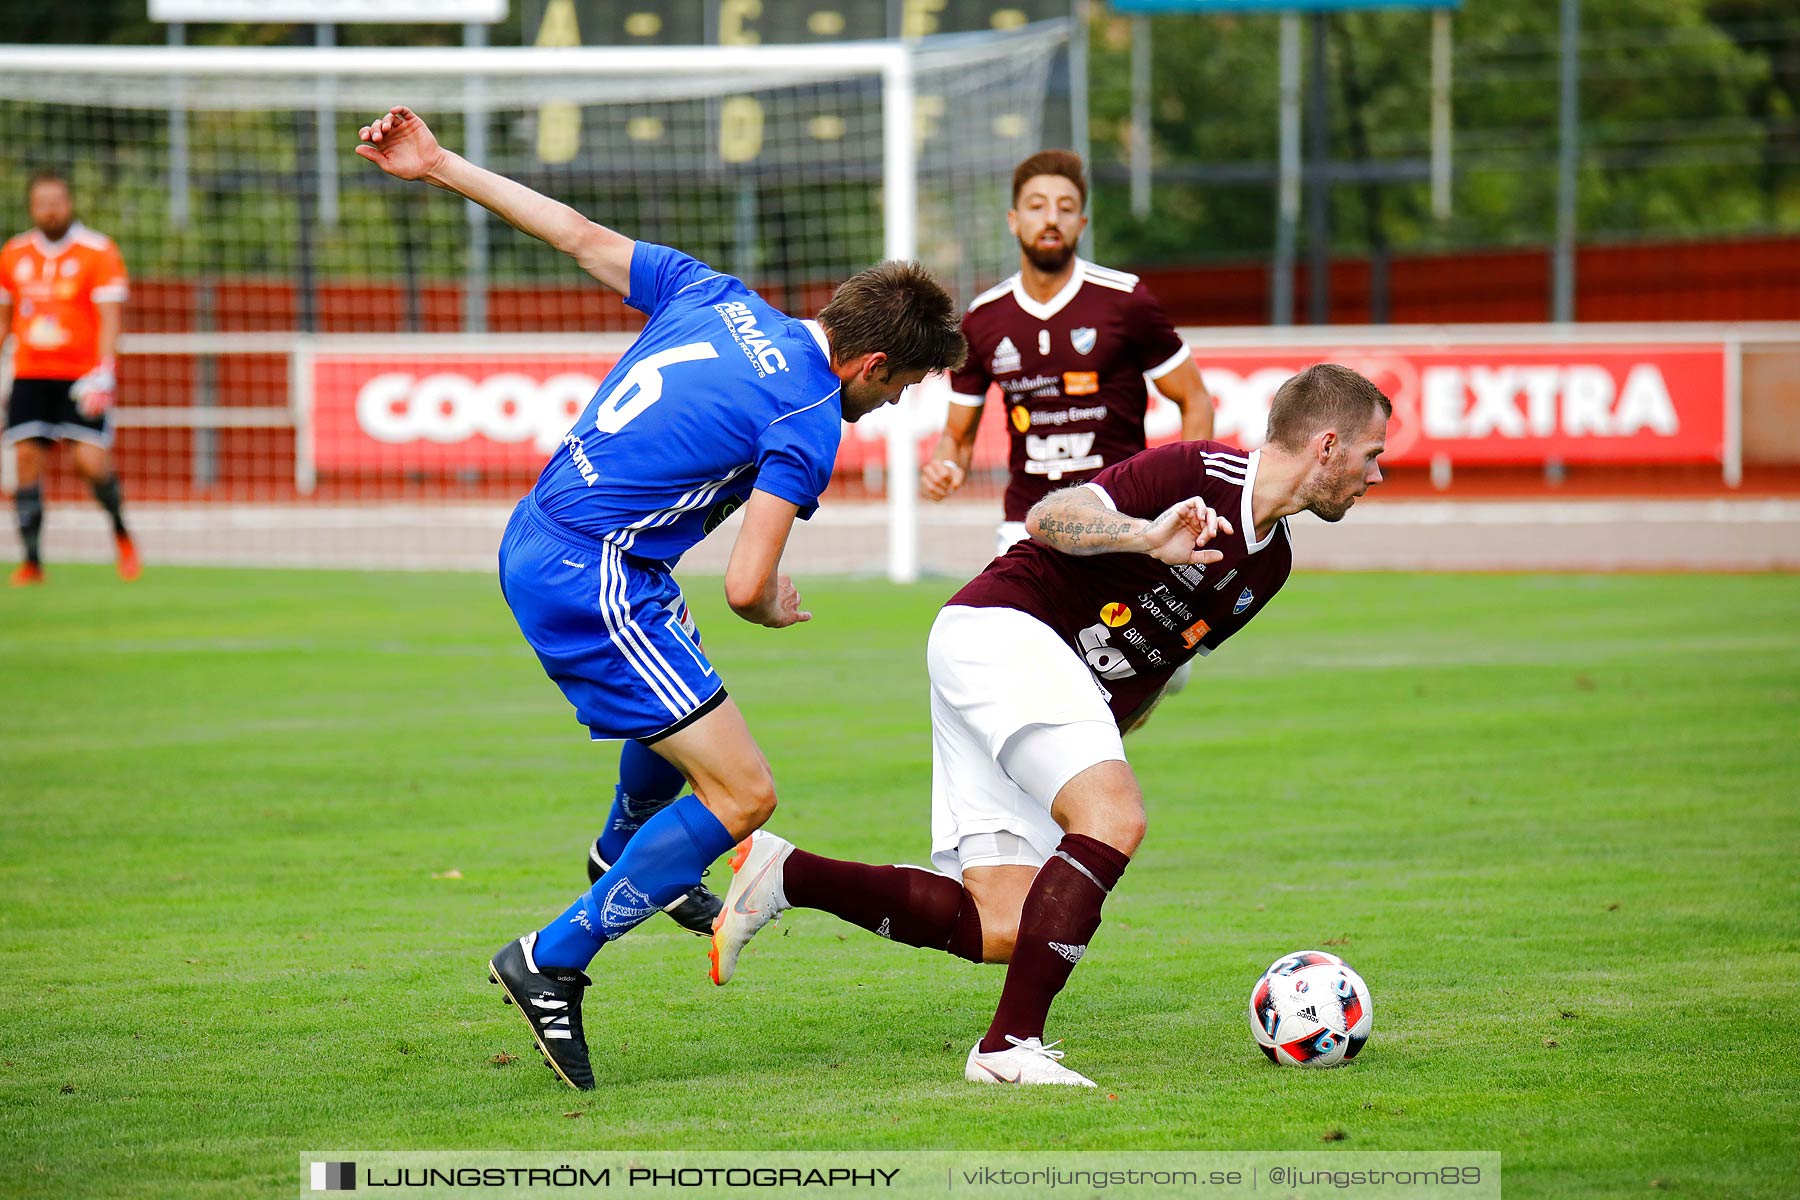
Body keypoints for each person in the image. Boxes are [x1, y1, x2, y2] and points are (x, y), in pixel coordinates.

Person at [354, 105, 966, 1091]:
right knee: (745, 793)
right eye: (906, 387)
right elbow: (744, 585)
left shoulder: (717, 296)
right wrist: (774, 605)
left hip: (555, 535)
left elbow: (576, 233)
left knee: (687, 710)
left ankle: (615, 849)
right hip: (592, 575)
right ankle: (551, 959)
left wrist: (437, 165)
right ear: (869, 365)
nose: (899, 404)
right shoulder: (810, 415)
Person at [711, 363, 1390, 1087]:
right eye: (1372, 454)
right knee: (1115, 816)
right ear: (1326, 445)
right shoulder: (1199, 470)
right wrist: (1145, 535)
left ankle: (785, 875)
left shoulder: (1272, 562)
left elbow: (1154, 665)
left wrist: (1097, 750)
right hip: (1006, 628)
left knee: (1003, 922)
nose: (1375, 475)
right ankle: (1007, 1048)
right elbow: (1050, 517)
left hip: (1040, 679)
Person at [920, 150, 1214, 559]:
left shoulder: (1125, 299)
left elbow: (1194, 397)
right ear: (1013, 220)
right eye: (1037, 206)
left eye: (1066, 208)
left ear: (1081, 223)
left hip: (1120, 519)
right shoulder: (982, 318)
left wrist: (1187, 489)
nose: (1051, 218)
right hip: (1024, 525)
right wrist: (947, 467)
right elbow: (956, 436)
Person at [2, 171, 138, 585]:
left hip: (81, 376)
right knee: (25, 460)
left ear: (69, 202)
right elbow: (4, 319)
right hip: (30, 372)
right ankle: (32, 561)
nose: (50, 209)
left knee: (90, 462)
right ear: (31, 207)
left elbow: (110, 318)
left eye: (57, 200)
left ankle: (121, 533)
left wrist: (105, 372)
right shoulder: (13, 253)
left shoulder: (97, 251)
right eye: (42, 201)